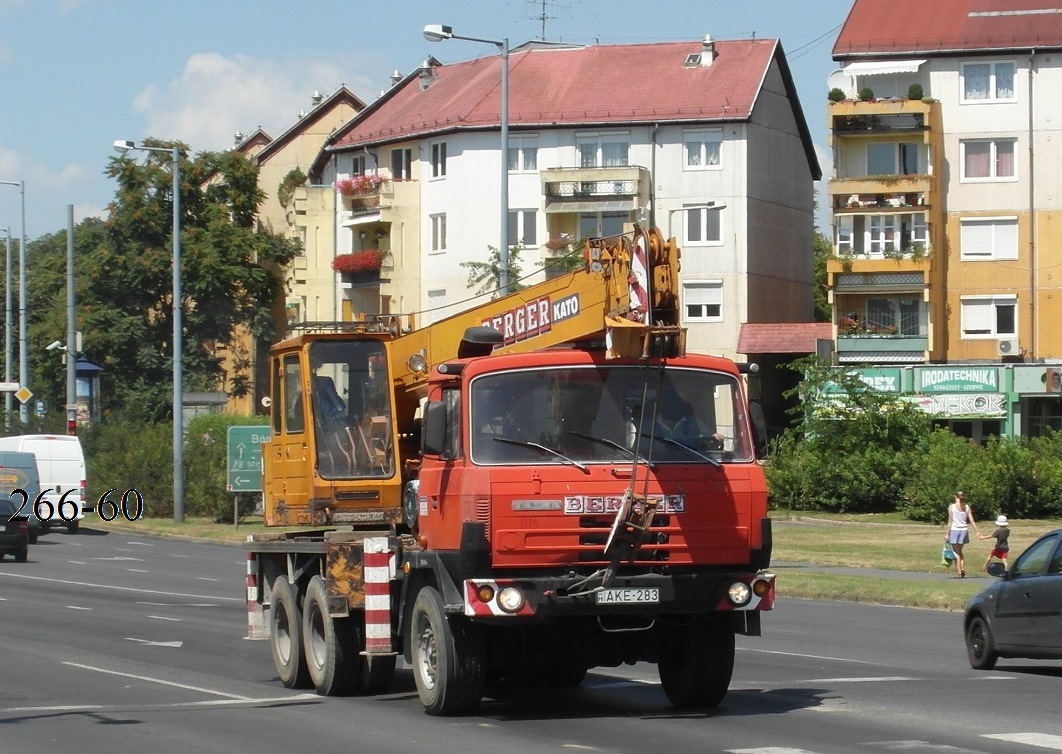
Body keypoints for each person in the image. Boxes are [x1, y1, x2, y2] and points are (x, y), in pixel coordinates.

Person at [945, 491, 981, 578]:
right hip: (964, 530)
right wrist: (977, 531)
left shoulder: (952, 507)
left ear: (955, 497)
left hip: (954, 530)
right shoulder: (967, 507)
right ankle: (962, 568)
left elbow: (950, 521)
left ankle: (959, 572)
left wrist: (947, 534)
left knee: (956, 553)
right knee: (960, 552)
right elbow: (971, 520)